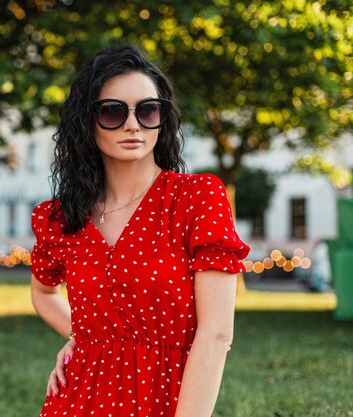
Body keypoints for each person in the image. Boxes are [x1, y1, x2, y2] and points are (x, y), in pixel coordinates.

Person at [30, 44, 250, 417]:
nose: (133, 124)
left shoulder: (196, 199)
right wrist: (82, 337)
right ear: (87, 121)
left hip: (167, 398)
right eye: (113, 112)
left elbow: (215, 335)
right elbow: (44, 293)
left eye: (148, 110)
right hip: (79, 397)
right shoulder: (61, 217)